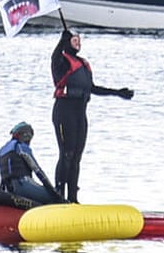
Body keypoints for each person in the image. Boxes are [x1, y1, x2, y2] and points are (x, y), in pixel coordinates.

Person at [51, 27, 133, 203]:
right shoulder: (61, 61)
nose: (78, 43)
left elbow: (92, 88)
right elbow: (55, 61)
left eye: (79, 40)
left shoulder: (83, 64)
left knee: (77, 156)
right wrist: (61, 42)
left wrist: (117, 92)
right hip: (64, 112)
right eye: (74, 40)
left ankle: (73, 197)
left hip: (80, 114)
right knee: (66, 153)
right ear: (67, 42)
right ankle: (59, 195)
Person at [0, 121, 62, 205]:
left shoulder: (2, 150)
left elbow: (4, 177)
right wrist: (54, 193)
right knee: (52, 197)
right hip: (23, 187)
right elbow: (38, 171)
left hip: (8, 190)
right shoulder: (21, 146)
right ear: (26, 135)